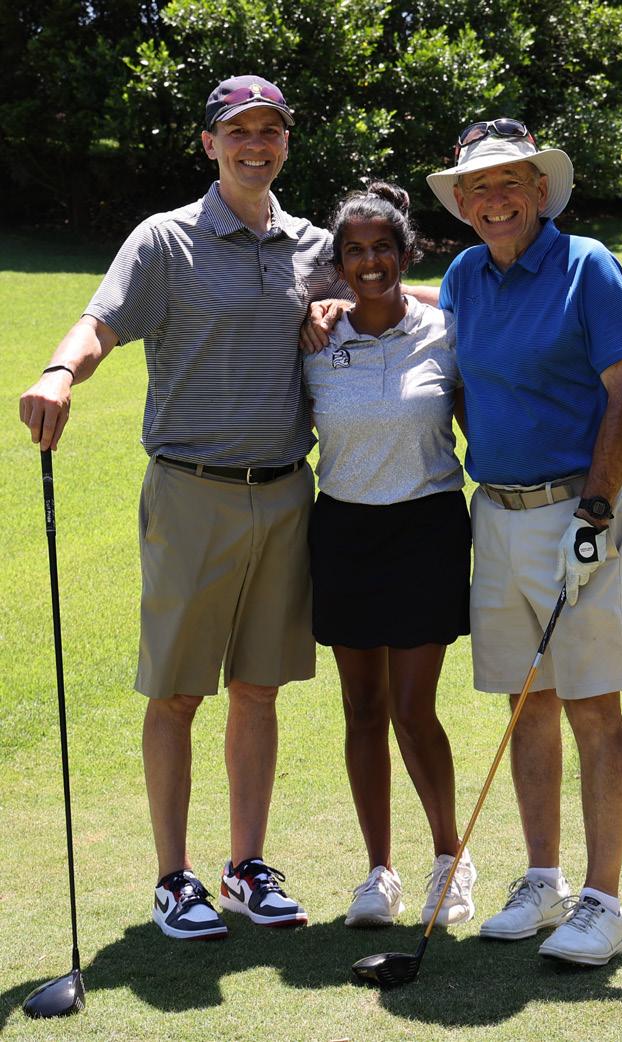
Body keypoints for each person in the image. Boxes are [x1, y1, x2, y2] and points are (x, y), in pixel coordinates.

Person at [18, 74, 361, 940]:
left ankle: (245, 869)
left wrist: (339, 301)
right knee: (176, 692)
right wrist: (59, 372)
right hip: (190, 490)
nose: (255, 145)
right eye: (237, 131)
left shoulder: (312, 245)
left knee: (258, 688)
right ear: (209, 144)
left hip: (285, 491)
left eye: (269, 130)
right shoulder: (164, 240)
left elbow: (380, 297)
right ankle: (174, 879)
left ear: (286, 142)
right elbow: (101, 322)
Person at [425, 118, 622, 965]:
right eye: (477, 187)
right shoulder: (463, 276)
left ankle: (604, 901)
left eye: (508, 183)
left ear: (539, 190)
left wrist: (593, 513)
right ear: (461, 202)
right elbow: (457, 373)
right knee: (527, 703)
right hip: (495, 512)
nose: (493, 200)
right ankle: (543, 878)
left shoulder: (587, 265)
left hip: (576, 512)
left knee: (592, 704)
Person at [302, 183, 476, 929]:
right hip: (344, 531)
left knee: (411, 708)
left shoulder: (445, 330)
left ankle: (449, 860)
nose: (368, 262)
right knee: (362, 709)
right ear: (338, 263)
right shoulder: (314, 339)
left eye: (382, 248)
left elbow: (469, 305)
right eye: (354, 250)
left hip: (425, 530)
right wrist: (317, 311)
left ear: (405, 255)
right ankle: (379, 873)